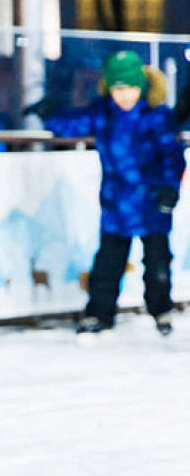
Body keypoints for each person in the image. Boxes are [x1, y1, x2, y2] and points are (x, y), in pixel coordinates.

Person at [43, 51, 185, 336]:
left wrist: (170, 189)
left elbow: (172, 156)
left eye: (130, 88)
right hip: (116, 204)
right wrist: (50, 113)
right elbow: (73, 123)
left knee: (157, 261)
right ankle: (99, 314)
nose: (123, 95)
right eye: (117, 88)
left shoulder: (156, 117)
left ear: (141, 87)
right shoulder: (103, 112)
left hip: (152, 203)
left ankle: (161, 310)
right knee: (108, 263)